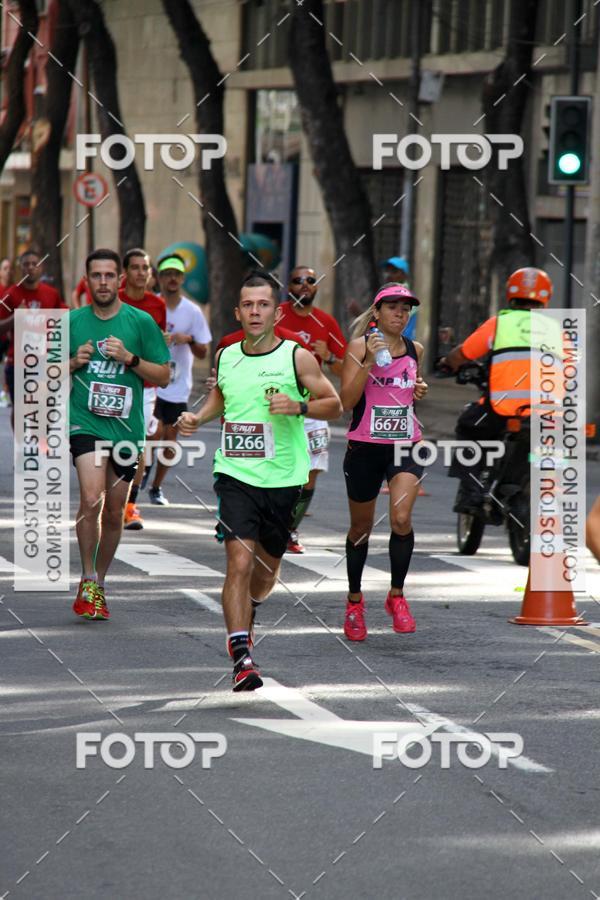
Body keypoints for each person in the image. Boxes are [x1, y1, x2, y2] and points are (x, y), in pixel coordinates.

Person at [178, 270, 342, 691]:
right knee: (238, 561)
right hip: (234, 473)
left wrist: (299, 408)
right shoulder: (227, 354)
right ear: (238, 312)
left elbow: (334, 403)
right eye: (248, 305)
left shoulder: (296, 356)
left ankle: (249, 608)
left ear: (276, 311)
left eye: (263, 304)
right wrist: (199, 415)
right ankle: (241, 656)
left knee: (266, 573)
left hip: (284, 478)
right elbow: (221, 397)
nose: (255, 311)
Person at [68, 248, 170, 620]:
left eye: (110, 275)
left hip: (127, 430)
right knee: (91, 499)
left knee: (113, 513)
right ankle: (87, 576)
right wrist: (72, 363)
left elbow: (163, 375)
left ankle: (100, 583)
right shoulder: (73, 321)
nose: (104, 282)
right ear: (88, 279)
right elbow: (44, 373)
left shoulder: (140, 323)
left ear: (119, 280)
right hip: (86, 424)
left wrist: (130, 359)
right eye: (97, 276)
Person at [340, 283, 427, 641]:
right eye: (393, 307)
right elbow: (346, 399)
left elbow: (410, 391)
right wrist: (369, 362)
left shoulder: (414, 349)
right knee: (361, 528)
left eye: (406, 309)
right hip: (364, 446)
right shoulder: (359, 347)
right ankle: (355, 602)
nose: (400, 314)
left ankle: (397, 596)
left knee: (401, 518)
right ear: (377, 312)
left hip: (405, 445)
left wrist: (418, 390)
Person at [442, 267, 554, 513]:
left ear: (510, 295)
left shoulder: (500, 323)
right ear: (546, 298)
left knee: (468, 424)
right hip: (546, 415)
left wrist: (448, 362)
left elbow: (463, 353)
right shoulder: (557, 330)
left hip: (502, 410)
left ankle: (472, 494)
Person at [276, 265, 347, 553]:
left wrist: (328, 357)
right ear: (288, 286)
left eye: (310, 280)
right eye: (297, 281)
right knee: (281, 466)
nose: (304, 285)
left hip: (313, 407)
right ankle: (273, 523)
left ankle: (290, 529)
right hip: (278, 404)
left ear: (316, 287)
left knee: (312, 470)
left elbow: (346, 368)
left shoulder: (326, 322)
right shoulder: (277, 314)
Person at [149, 254, 211, 503]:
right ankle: (142, 471)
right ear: (159, 278)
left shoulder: (192, 311)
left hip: (178, 386)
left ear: (182, 278)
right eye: (167, 274)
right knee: (153, 433)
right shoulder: (151, 305)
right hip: (152, 381)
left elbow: (204, 350)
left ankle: (156, 486)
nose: (172, 279)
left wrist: (189, 340)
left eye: (176, 274)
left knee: (170, 439)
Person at [118, 248, 168, 529]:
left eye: (145, 268)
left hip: (145, 384)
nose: (140, 272)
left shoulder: (157, 305)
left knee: (141, 445)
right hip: (115, 382)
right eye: (135, 267)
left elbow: (156, 346)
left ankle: (130, 505)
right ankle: (107, 496)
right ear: (125, 274)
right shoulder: (115, 300)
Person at [0, 249, 66, 429]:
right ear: (20, 268)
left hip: (45, 360)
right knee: (21, 408)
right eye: (26, 264)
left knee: (44, 405)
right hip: (18, 362)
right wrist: (16, 318)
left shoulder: (51, 294)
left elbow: (63, 318)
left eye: (34, 264)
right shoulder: (11, 294)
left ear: (41, 267)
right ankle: (20, 446)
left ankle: (40, 444)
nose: (30, 267)